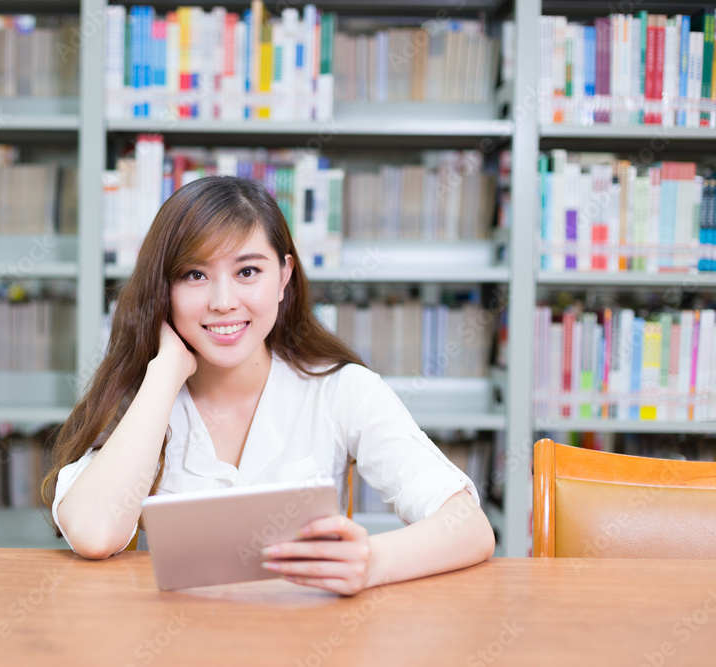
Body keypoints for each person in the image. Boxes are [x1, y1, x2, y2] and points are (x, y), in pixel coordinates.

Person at [43, 175, 494, 596]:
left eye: (247, 272)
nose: (223, 303)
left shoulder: (340, 390)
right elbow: (94, 532)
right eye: (194, 275)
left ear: (283, 276)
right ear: (162, 289)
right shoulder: (145, 394)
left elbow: (468, 527)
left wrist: (371, 561)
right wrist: (165, 372)